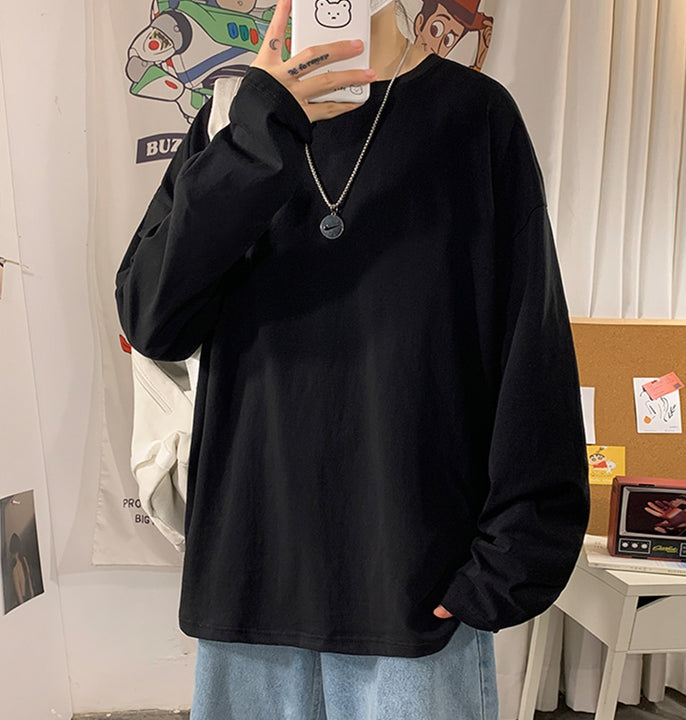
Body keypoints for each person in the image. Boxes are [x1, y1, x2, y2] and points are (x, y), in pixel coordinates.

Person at [115, 0, 590, 716]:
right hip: (252, 580)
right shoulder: (234, 121)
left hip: (414, 586)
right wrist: (260, 130)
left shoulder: (475, 119)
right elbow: (153, 318)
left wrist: (512, 557)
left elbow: (531, 344)